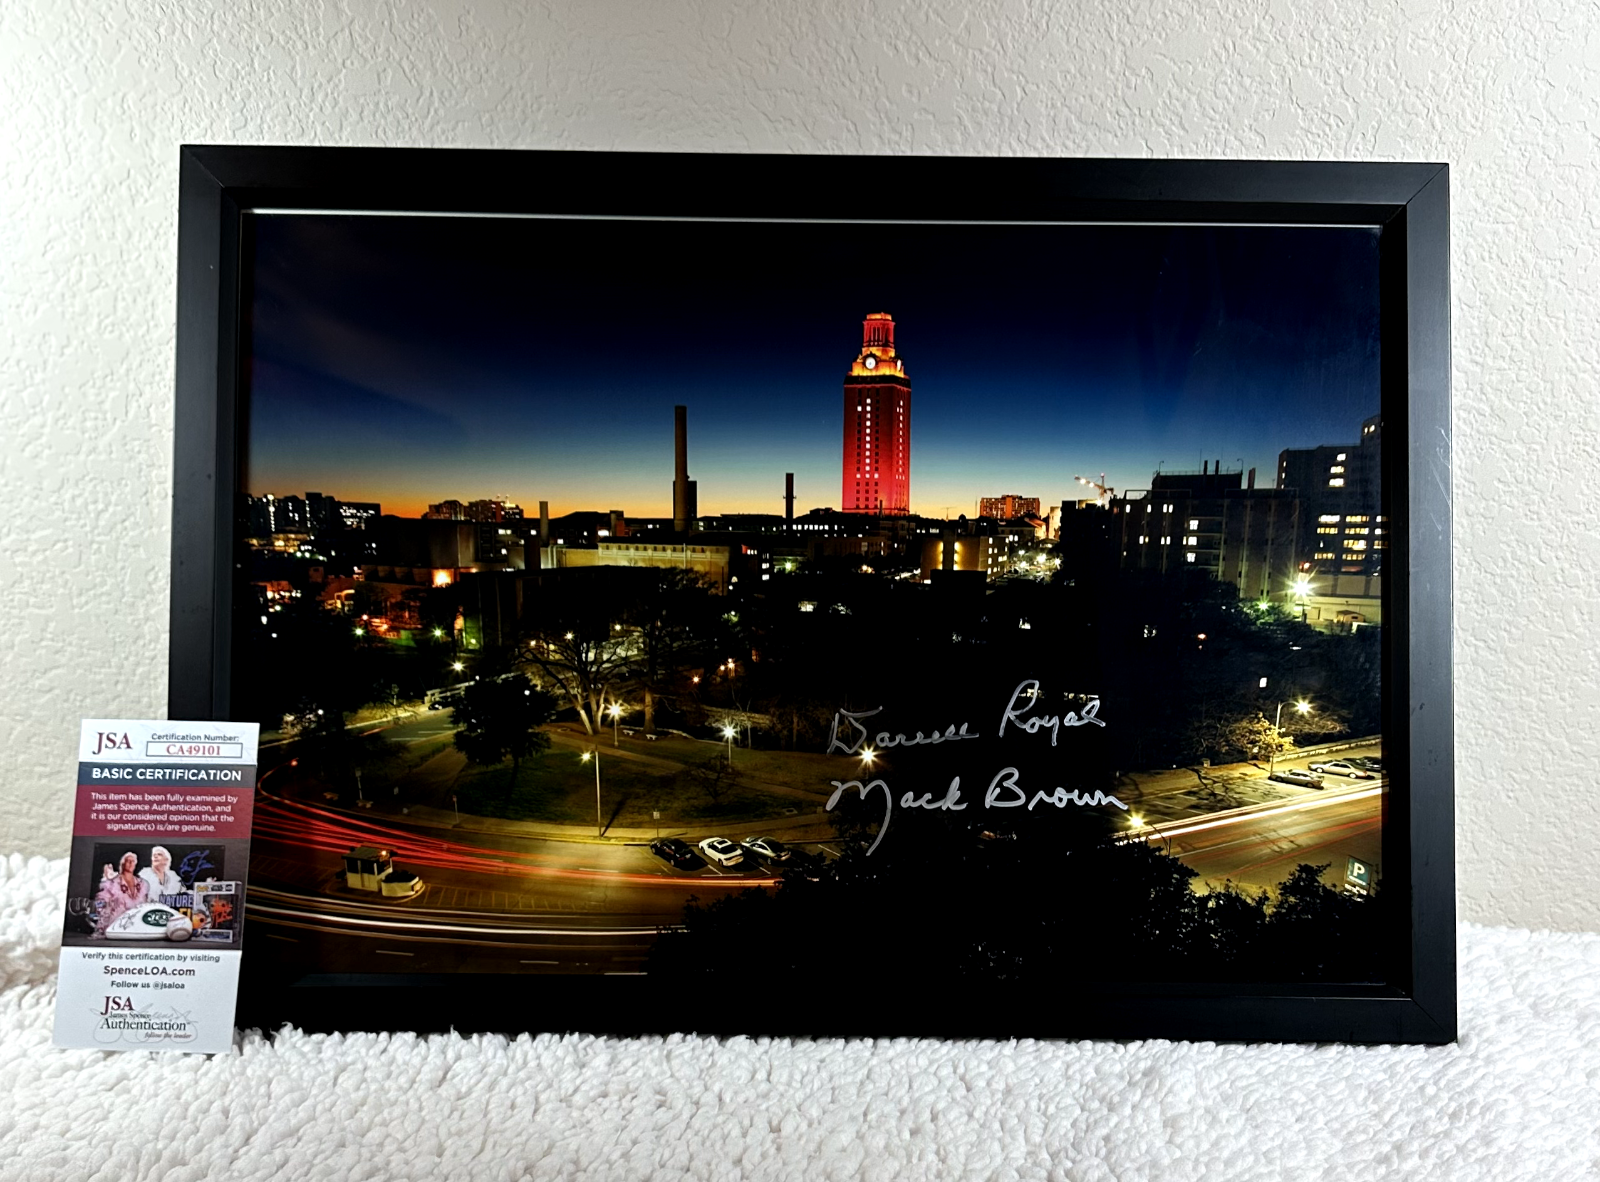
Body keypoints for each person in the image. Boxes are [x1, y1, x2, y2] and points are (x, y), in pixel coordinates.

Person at [93, 852, 147, 936]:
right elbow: (101, 902)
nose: (130, 863)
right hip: (115, 925)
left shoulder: (142, 883)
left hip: (136, 926)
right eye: (128, 861)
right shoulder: (112, 882)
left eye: (133, 861)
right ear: (123, 863)